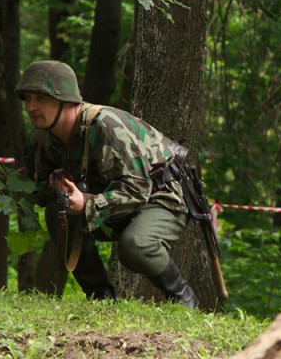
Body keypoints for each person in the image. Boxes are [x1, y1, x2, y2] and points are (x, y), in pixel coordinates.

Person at [16, 60, 198, 308]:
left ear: (66, 100)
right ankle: (101, 299)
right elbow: (39, 192)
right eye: (27, 98)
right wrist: (53, 185)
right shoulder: (40, 139)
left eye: (40, 98)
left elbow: (137, 190)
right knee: (56, 213)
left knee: (135, 246)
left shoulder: (105, 126)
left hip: (161, 196)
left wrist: (87, 203)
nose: (31, 107)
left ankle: (182, 298)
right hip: (114, 202)